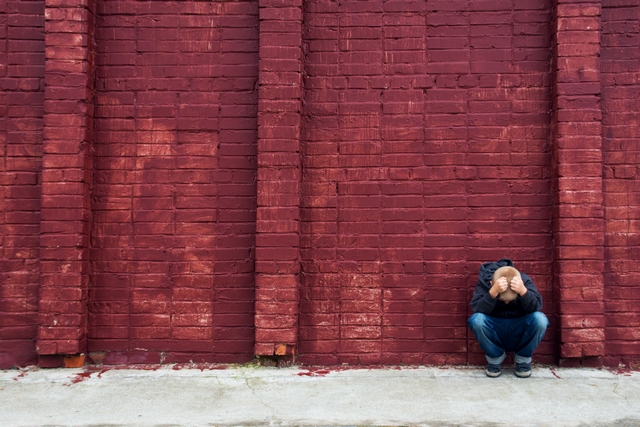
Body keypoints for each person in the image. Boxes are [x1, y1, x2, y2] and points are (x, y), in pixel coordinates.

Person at [468, 258, 549, 378]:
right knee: (477, 320)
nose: (506, 302)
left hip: (519, 325)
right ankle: (494, 360)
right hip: (494, 325)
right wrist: (493, 293)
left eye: (509, 301)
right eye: (503, 300)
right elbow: (477, 309)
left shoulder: (523, 280)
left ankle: (523, 360)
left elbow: (536, 307)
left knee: (540, 319)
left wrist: (523, 292)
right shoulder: (486, 282)